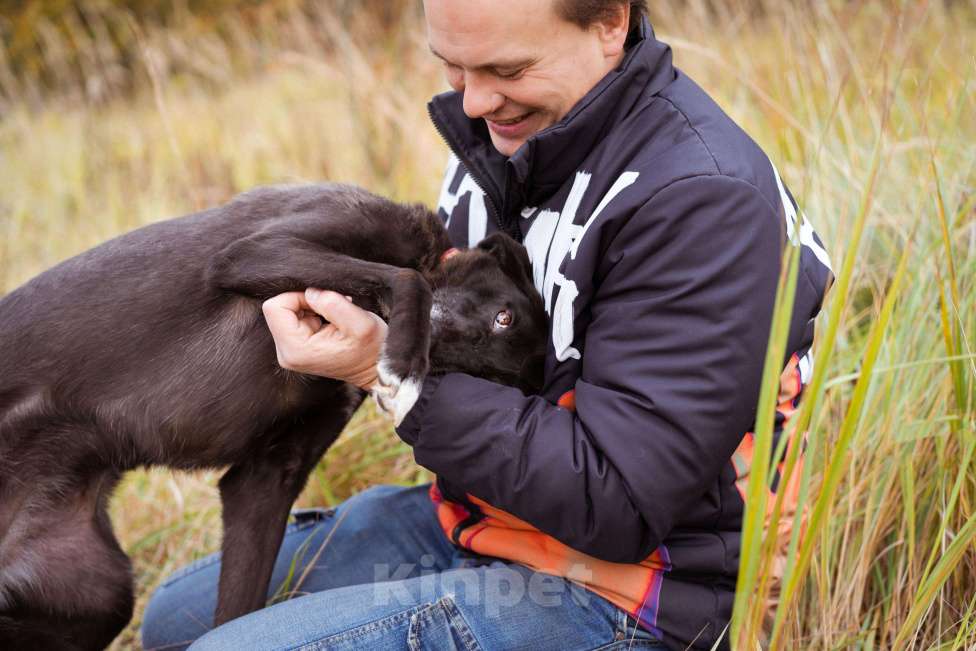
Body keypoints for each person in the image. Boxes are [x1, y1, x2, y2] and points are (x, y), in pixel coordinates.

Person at [141, 0, 833, 649]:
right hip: (490, 516)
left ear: (610, 23)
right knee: (173, 620)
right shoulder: (509, 139)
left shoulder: (700, 201)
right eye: (452, 66)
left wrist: (389, 371)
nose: (472, 102)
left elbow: (619, 500)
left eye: (507, 70)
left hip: (638, 589)